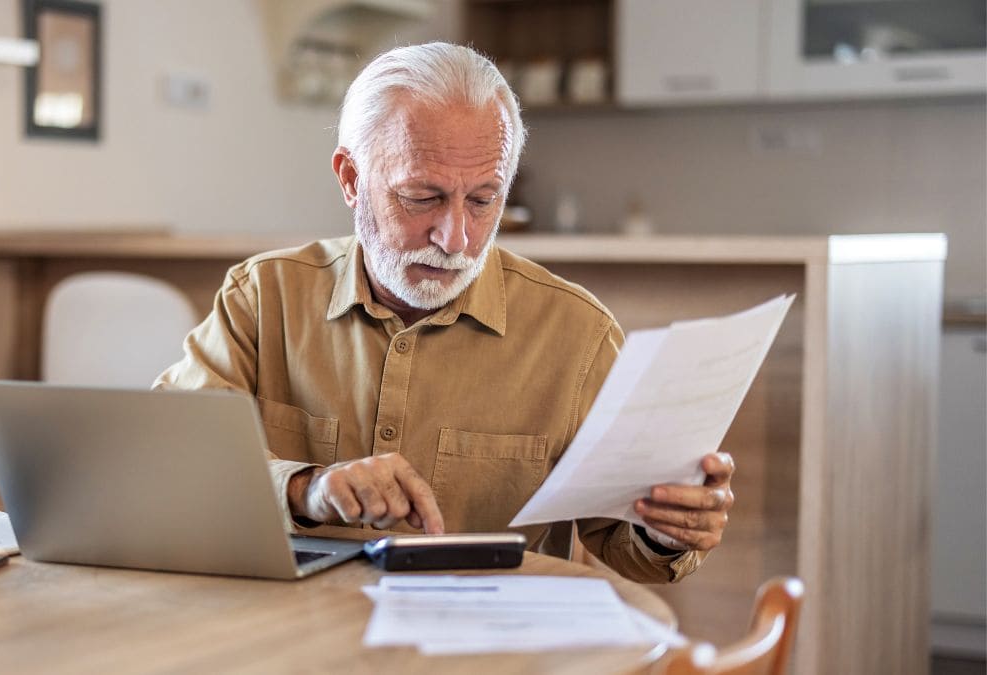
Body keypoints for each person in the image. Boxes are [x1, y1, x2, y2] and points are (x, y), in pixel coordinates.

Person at [155, 42, 734, 584]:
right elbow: (165, 461)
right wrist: (304, 487)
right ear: (351, 179)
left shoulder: (577, 338)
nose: (455, 237)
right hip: (287, 638)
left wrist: (665, 532)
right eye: (423, 197)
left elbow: (628, 547)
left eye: (484, 200)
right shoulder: (264, 297)